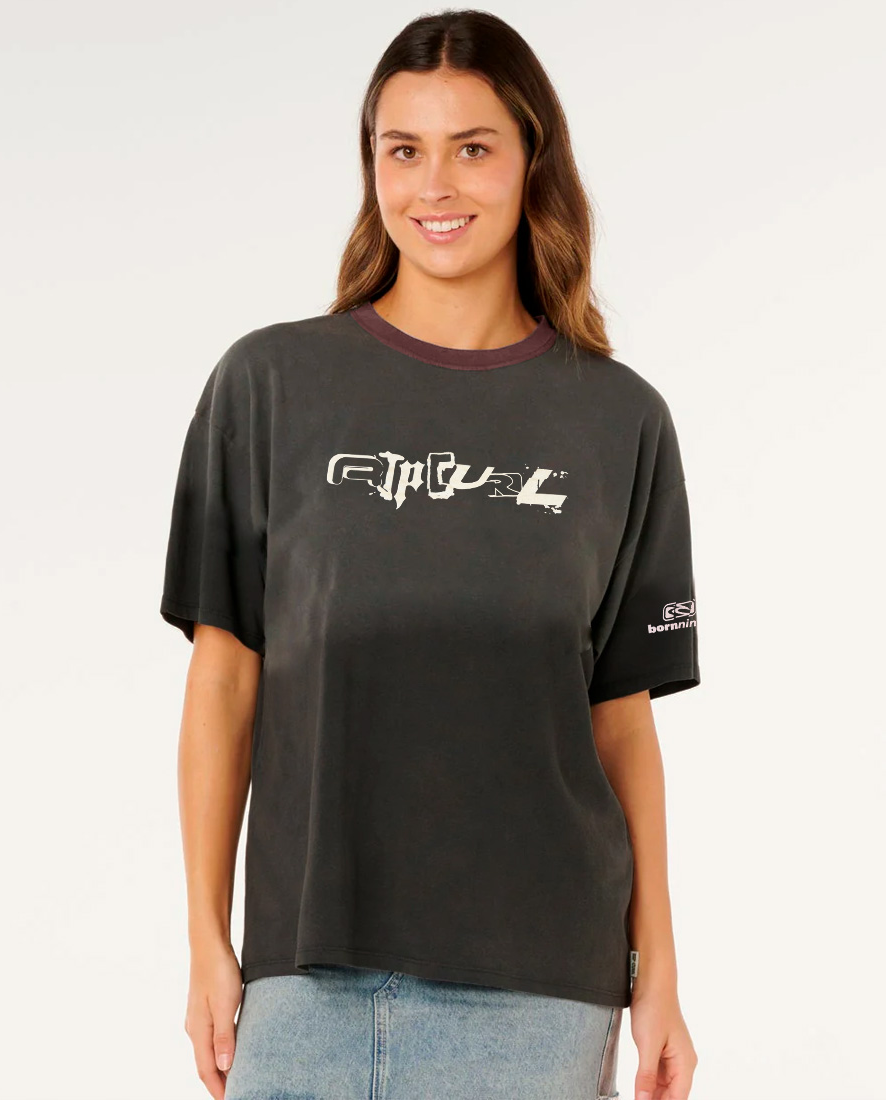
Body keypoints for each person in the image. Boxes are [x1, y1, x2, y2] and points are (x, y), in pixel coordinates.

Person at [160, 10, 702, 1100]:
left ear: (532, 159)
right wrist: (207, 940)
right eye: (403, 150)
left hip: (540, 999)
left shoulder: (619, 420)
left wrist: (659, 976)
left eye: (472, 147)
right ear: (371, 167)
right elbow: (224, 680)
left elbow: (622, 724)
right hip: (304, 985)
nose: (435, 185)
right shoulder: (269, 388)